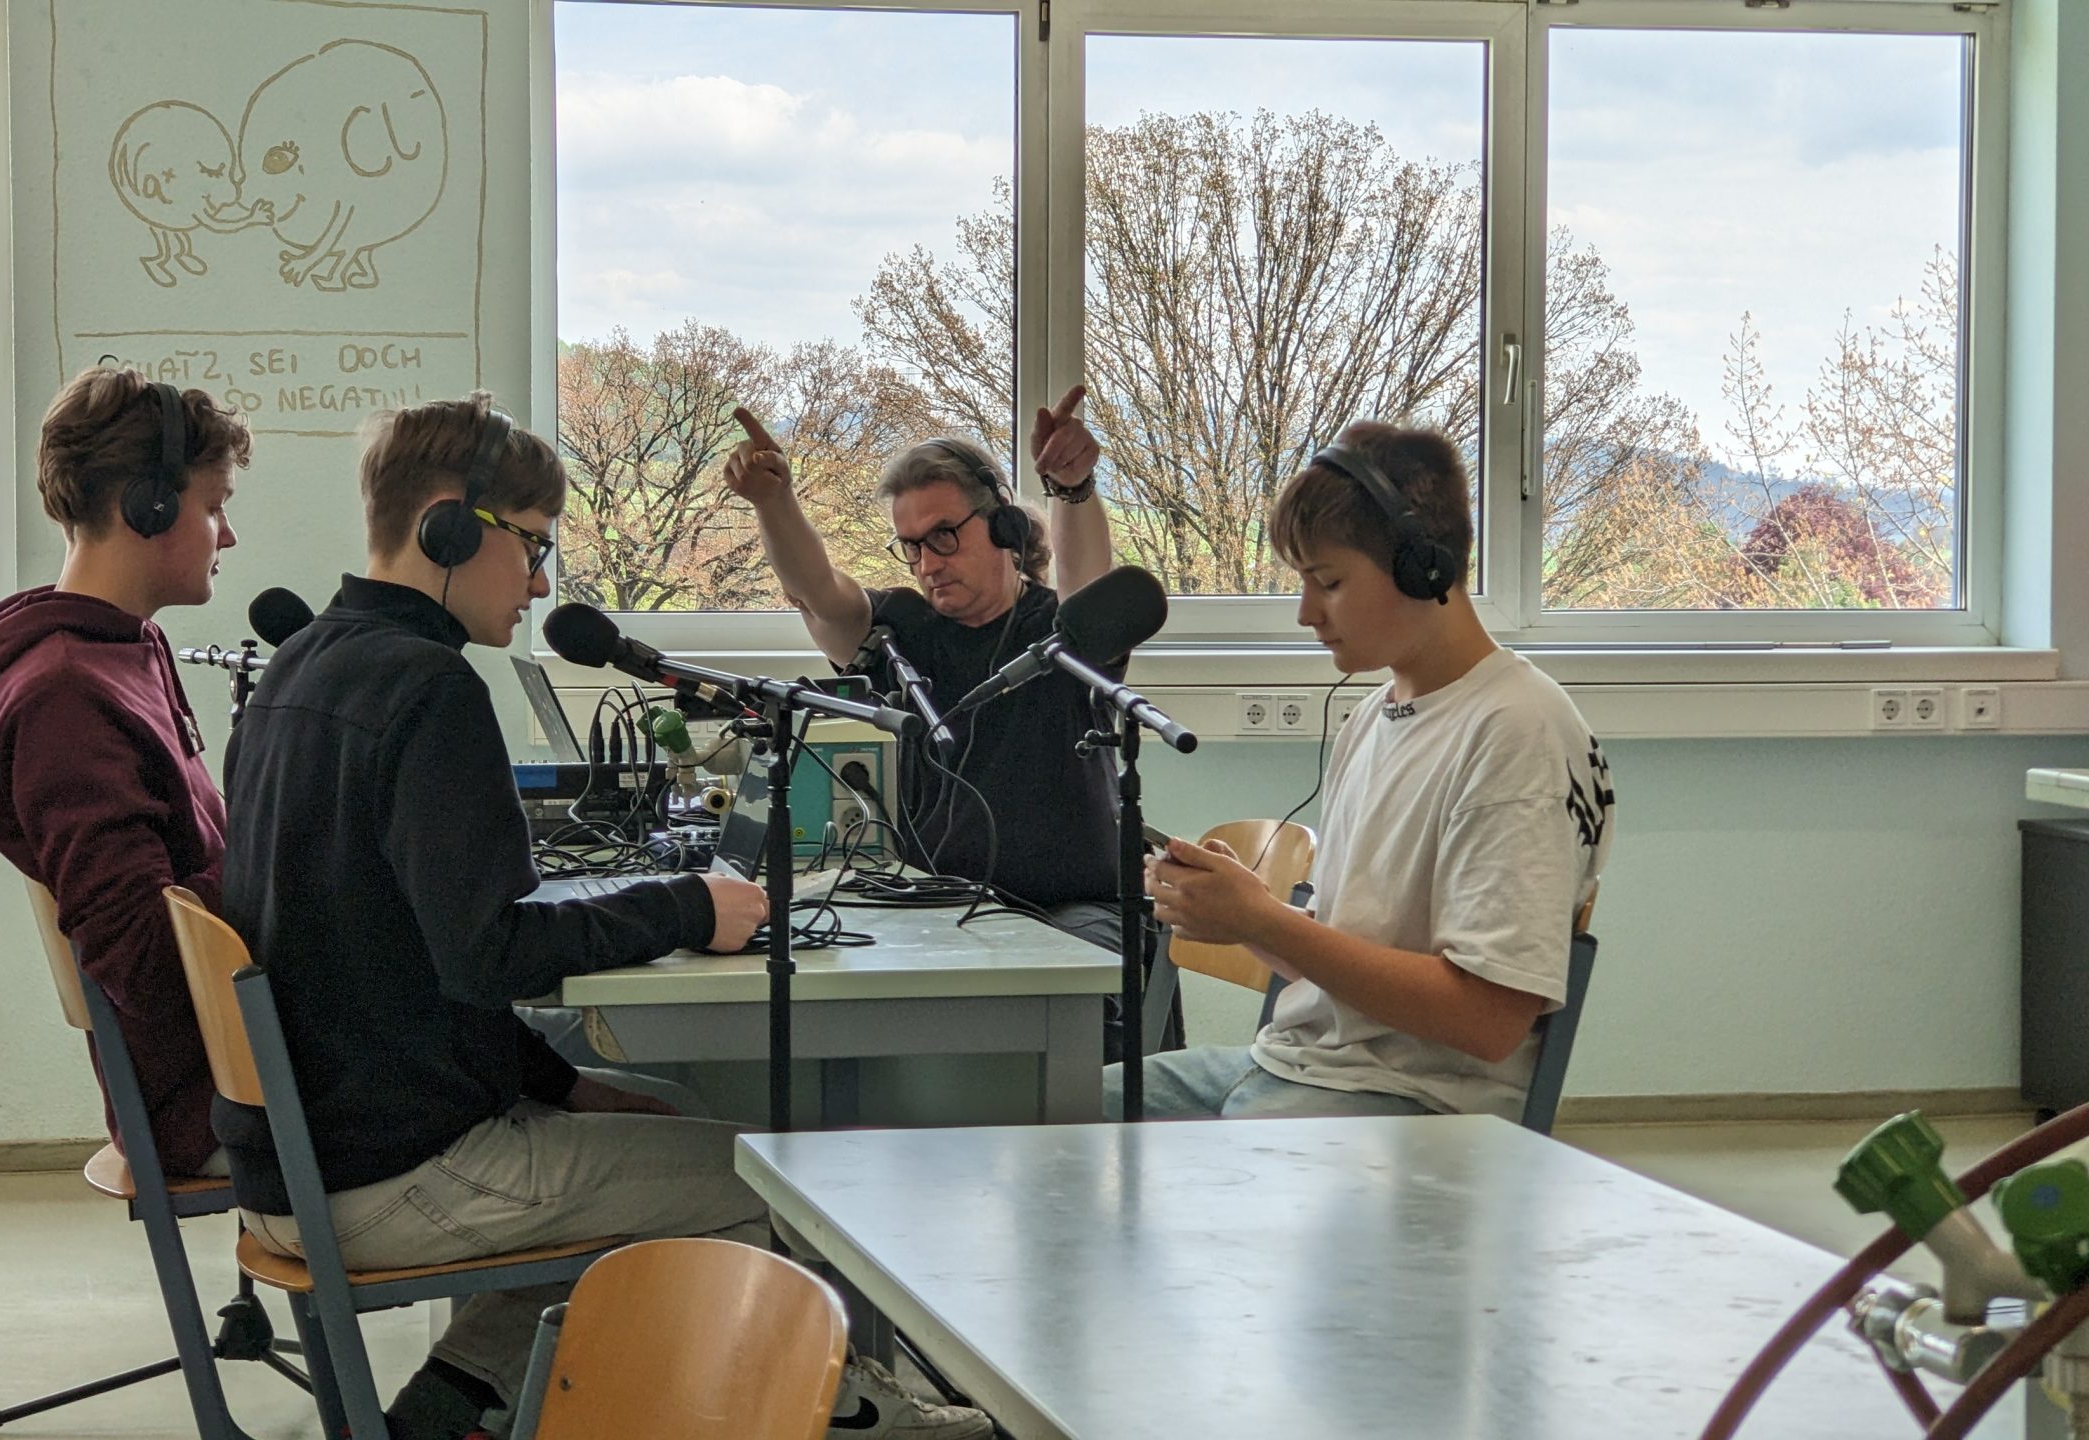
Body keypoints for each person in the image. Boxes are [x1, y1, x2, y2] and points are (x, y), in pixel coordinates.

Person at [216, 393, 993, 1440]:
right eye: (533, 545)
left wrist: (563, 1083)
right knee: (774, 1181)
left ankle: (448, 1409)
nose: (540, 582)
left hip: (303, 1159)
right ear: (450, 528)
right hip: (390, 1176)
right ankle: (858, 1417)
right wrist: (686, 904)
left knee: (653, 1108)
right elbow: (491, 954)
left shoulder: (302, 663)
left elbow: (404, 955)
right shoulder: (427, 689)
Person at [1109, 421, 1614, 1123]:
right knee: (1039, 1112)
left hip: (1411, 1105)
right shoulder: (1374, 717)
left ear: (1420, 566)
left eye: (1329, 582)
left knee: (1098, 1165)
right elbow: (1345, 963)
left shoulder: (1516, 733)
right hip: (1291, 1067)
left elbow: (1488, 1019)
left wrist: (1265, 921)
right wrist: (1243, 915)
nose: (1305, 613)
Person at [723, 386, 1173, 1060]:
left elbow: (1089, 585)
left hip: (1079, 911)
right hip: (940, 908)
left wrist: (1072, 488)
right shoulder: (902, 632)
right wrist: (773, 501)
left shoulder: (1059, 630)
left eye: (943, 536)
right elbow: (819, 593)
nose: (928, 564)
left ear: (1004, 528)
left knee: (1046, 1016)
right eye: (911, 547)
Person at [0, 364, 250, 1176]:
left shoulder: (125, 645)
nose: (228, 536)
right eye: (214, 507)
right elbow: (145, 956)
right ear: (148, 508)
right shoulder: (65, 695)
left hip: (242, 1058)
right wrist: (289, 862)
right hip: (218, 1099)